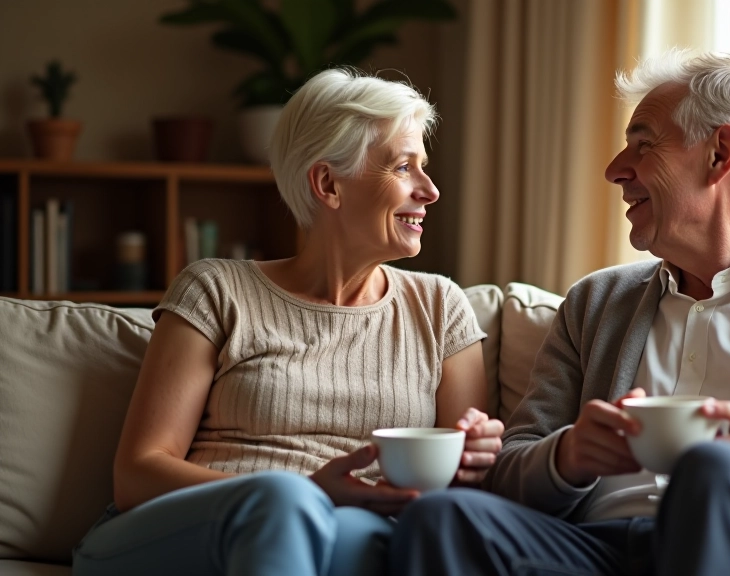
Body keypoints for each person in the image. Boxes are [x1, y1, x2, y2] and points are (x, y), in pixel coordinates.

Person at [389, 49, 730, 575]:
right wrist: (569, 456)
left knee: (716, 470)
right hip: (598, 549)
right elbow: (511, 465)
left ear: (721, 154)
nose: (614, 170)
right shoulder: (595, 303)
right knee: (442, 517)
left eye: (643, 146)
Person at [71, 68, 503, 576]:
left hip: (350, 528)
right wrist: (303, 491)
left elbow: (457, 498)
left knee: (359, 541)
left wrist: (476, 453)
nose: (429, 190)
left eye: (423, 168)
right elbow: (137, 475)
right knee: (283, 500)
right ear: (327, 183)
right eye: (404, 168)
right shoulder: (216, 289)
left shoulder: (439, 308)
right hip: (188, 529)